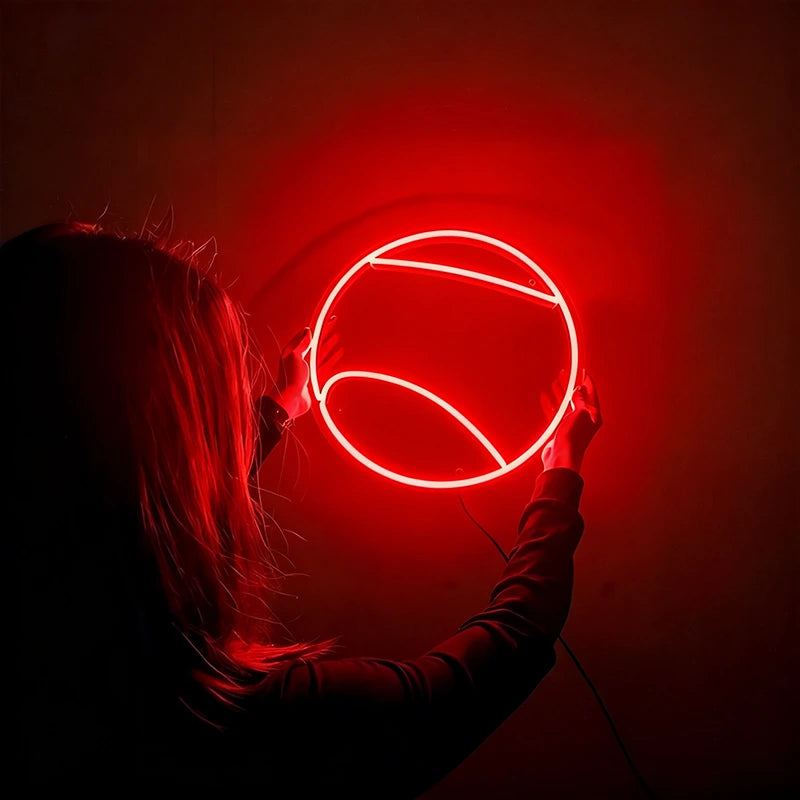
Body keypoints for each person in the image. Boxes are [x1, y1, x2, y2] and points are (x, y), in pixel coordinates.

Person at [5, 221, 602, 794]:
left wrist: (277, 412)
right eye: (218, 403)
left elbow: (138, 506)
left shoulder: (54, 679)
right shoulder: (260, 729)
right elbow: (511, 646)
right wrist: (561, 470)